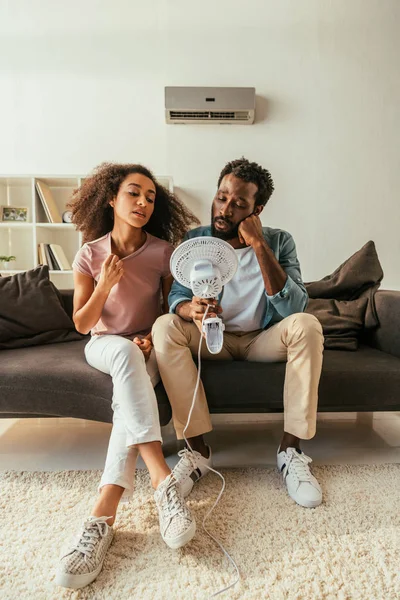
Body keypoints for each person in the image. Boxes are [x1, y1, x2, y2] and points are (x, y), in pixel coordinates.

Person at [56, 163, 199, 590]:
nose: (142, 203)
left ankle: (102, 516)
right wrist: (104, 283)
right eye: (133, 194)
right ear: (111, 199)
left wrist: (152, 338)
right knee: (120, 353)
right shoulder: (89, 253)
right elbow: (83, 324)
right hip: (105, 344)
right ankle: (162, 482)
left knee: (128, 385)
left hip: (145, 347)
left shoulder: (163, 252)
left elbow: (170, 305)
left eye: (150, 197)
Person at [152, 158, 324, 510]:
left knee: (308, 325)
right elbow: (176, 298)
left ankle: (290, 451)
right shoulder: (195, 240)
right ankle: (197, 452)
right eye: (221, 197)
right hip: (216, 339)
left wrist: (258, 244)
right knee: (164, 325)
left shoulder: (279, 242)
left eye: (239, 204)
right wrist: (189, 310)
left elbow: (294, 308)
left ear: (256, 210)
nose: (225, 209)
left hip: (263, 338)